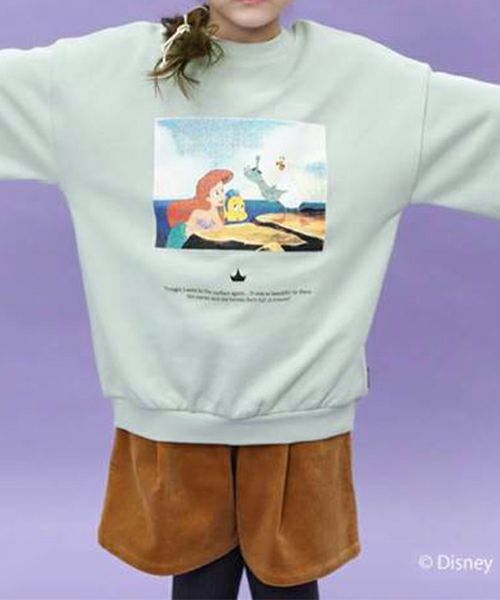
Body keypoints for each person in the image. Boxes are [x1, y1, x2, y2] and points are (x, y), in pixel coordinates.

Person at [1, 1, 499, 599]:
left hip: (302, 421)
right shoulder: (102, 76)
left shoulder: (373, 85)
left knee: (287, 589)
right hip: (172, 415)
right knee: (200, 586)